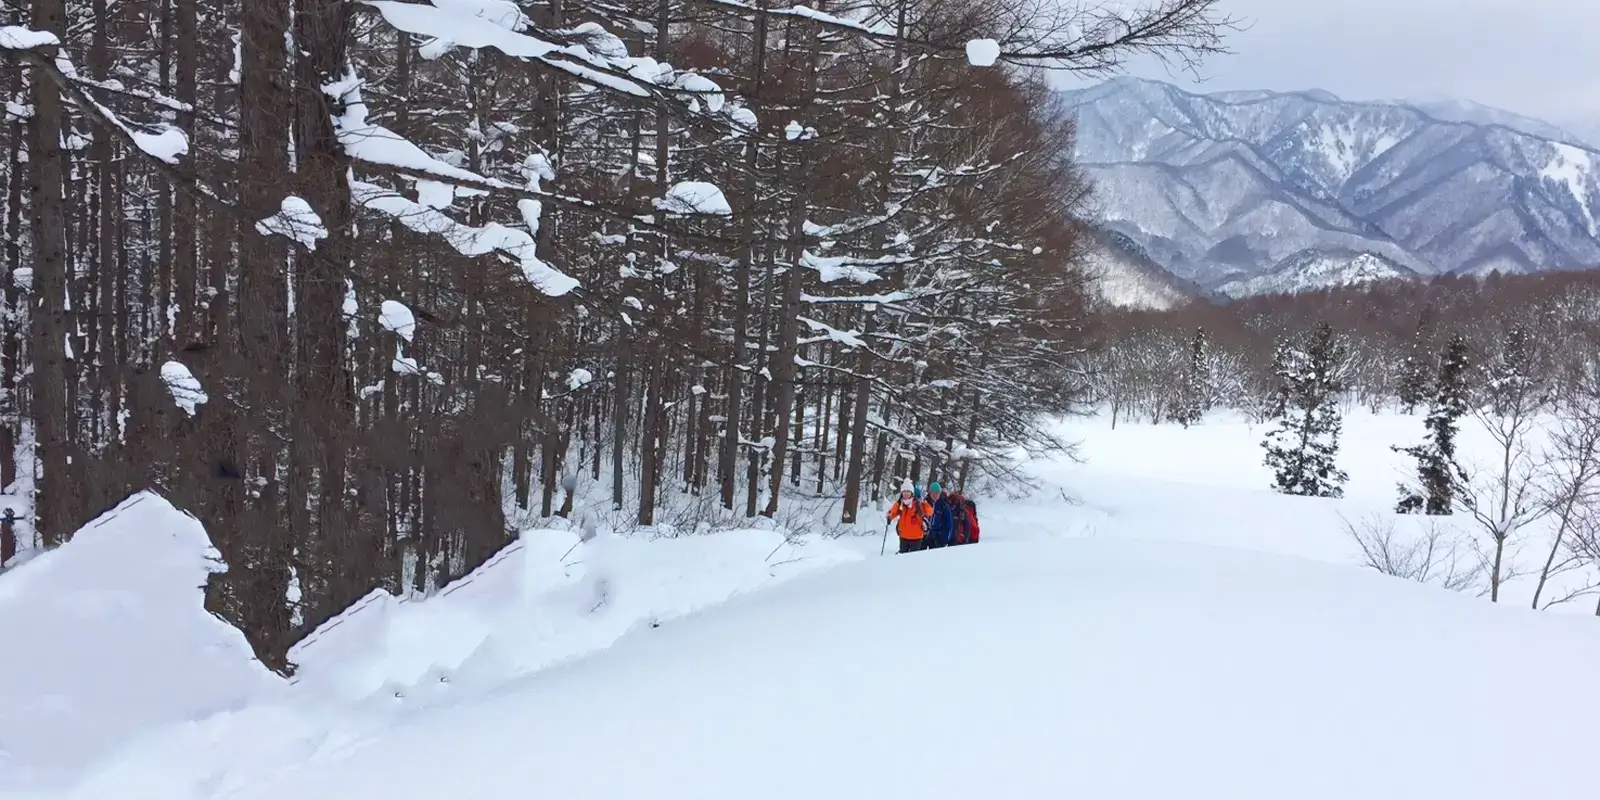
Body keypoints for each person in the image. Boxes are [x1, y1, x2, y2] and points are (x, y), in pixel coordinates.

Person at [887, 480, 932, 554]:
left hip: (916, 537)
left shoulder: (918, 504)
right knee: (903, 557)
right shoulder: (900, 504)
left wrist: (925, 503)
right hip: (903, 536)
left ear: (912, 493)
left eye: (908, 491)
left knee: (913, 560)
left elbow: (929, 512)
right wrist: (889, 517)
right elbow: (893, 513)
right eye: (904, 492)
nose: (906, 494)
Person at [924, 481, 954, 548]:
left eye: (937, 493)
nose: (935, 495)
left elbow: (948, 523)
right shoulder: (924, 503)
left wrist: (944, 538)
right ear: (930, 493)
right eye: (933, 493)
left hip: (937, 536)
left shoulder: (943, 505)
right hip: (924, 535)